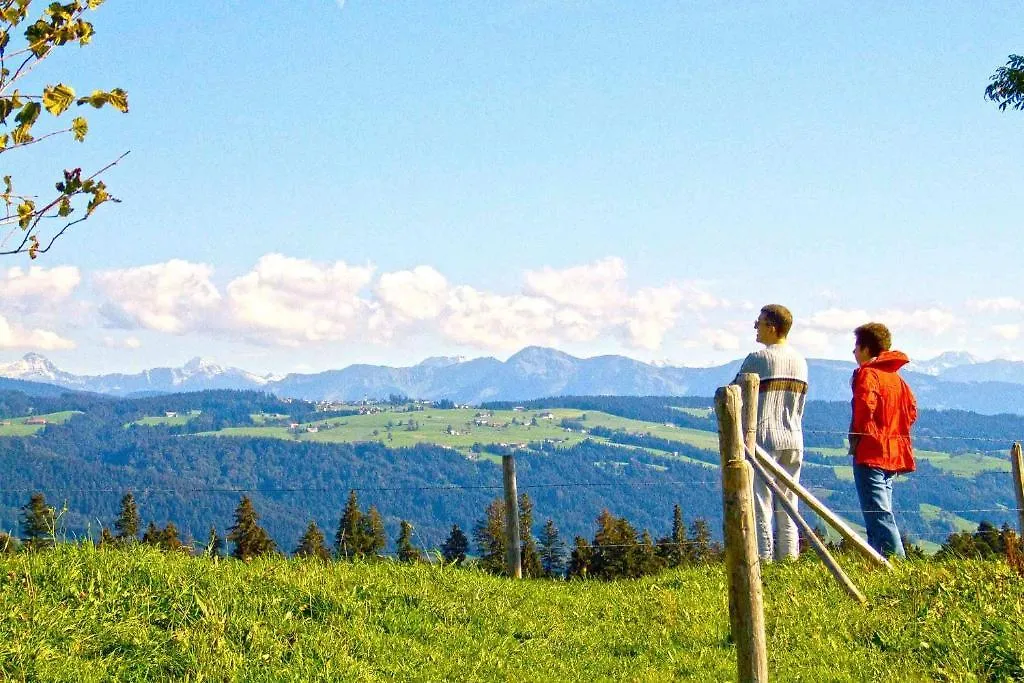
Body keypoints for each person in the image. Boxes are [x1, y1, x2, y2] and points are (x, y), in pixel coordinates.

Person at [735, 304, 808, 562]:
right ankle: (789, 560)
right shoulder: (801, 361)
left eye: (759, 322)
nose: (756, 327)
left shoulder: (758, 358)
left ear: (772, 327)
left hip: (764, 438)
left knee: (761, 502)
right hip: (794, 437)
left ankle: (763, 561)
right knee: (788, 505)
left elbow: (734, 394)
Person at [849, 322, 917, 558]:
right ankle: (878, 561)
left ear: (867, 349)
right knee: (881, 511)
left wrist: (857, 436)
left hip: (870, 452)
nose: (854, 352)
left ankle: (898, 564)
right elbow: (911, 412)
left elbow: (863, 409)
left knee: (878, 515)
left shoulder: (867, 374)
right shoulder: (898, 380)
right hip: (893, 453)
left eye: (856, 347)